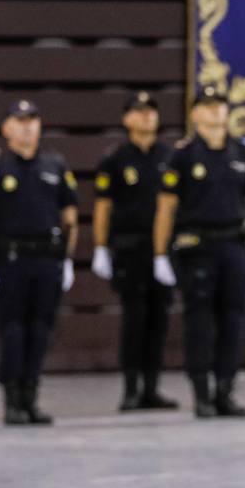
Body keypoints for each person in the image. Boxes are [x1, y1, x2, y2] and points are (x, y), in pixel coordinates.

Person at [152, 86, 245, 419]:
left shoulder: (240, 154)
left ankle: (225, 391)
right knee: (200, 321)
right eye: (207, 106)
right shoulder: (183, 155)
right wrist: (160, 254)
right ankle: (201, 392)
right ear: (195, 113)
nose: (215, 111)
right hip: (197, 248)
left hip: (233, 245)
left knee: (233, 320)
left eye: (220, 105)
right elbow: (165, 209)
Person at [0, 100, 79, 425]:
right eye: (20, 120)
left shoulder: (54, 165)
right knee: (12, 330)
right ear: (7, 129)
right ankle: (12, 398)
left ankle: (31, 397)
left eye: (32, 120)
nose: (27, 126)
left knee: (41, 329)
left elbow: (69, 215)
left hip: (46, 258)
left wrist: (67, 260)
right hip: (11, 259)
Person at [92, 91, 178, 412]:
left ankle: (152, 388)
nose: (147, 117)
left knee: (159, 321)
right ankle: (130, 388)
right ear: (126, 119)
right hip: (130, 249)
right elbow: (103, 207)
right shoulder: (115, 160)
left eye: (151, 111)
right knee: (134, 320)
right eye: (139, 112)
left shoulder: (171, 156)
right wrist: (101, 247)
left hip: (163, 251)